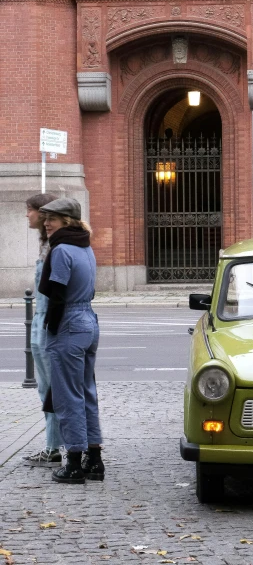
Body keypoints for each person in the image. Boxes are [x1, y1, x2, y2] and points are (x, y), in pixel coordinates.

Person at [38, 197, 103, 484]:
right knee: (87, 391)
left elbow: (57, 294)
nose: (46, 223)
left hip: (70, 322)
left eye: (52, 218)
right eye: (45, 218)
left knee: (68, 396)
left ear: (66, 220)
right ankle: (94, 458)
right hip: (89, 321)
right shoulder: (85, 246)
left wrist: (51, 327)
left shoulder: (62, 249)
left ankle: (74, 463)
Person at [22, 192, 63, 467]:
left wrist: (48, 326)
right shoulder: (46, 245)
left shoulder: (55, 247)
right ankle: (52, 445)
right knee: (45, 388)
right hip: (41, 322)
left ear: (42, 212)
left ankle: (55, 448)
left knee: (52, 390)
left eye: (30, 210)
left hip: (47, 324)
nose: (27, 215)